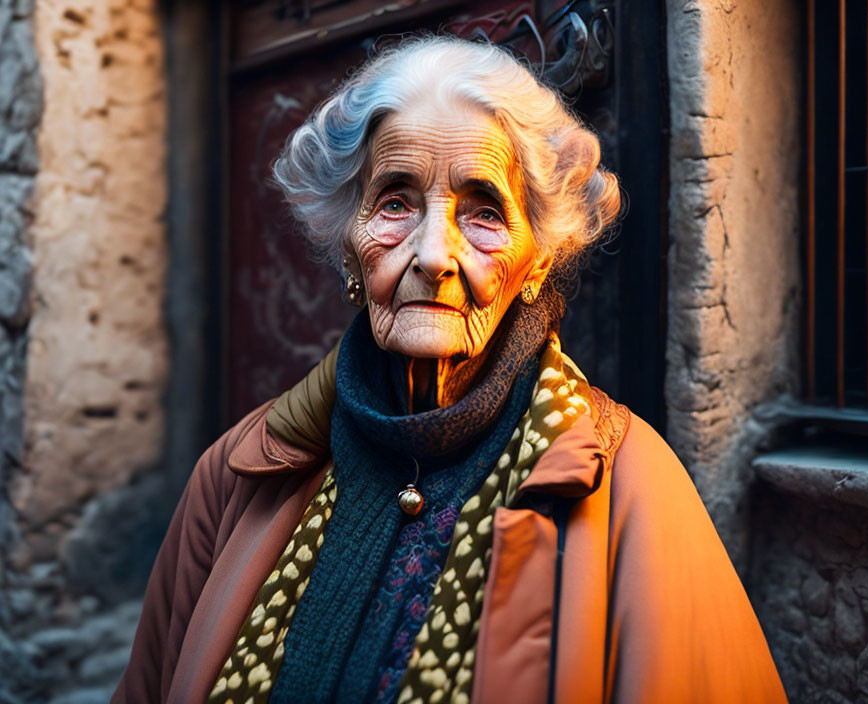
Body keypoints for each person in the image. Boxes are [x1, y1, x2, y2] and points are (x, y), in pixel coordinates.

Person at [113, 35, 787, 704]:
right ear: (351, 244)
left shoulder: (634, 492)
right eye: (396, 203)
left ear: (539, 259)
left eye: (485, 211)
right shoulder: (234, 477)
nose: (435, 253)